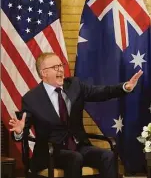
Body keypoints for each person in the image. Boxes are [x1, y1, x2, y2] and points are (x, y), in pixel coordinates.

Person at [9, 52, 143, 178]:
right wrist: (19, 132)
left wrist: (125, 87)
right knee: (74, 158)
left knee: (107, 155)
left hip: (79, 146)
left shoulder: (74, 85)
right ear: (44, 73)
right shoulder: (32, 98)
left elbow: (101, 92)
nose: (61, 70)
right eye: (55, 67)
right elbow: (23, 129)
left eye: (61, 65)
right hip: (51, 152)